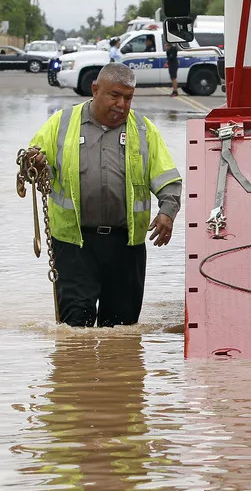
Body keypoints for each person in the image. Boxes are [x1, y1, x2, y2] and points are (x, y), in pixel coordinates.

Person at [22, 62, 182, 327]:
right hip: (74, 245)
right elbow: (37, 166)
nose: (121, 104)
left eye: (128, 97)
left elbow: (167, 179)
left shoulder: (143, 130)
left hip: (126, 247)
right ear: (95, 89)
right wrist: (34, 164)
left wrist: (167, 212)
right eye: (115, 95)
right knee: (75, 328)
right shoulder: (60, 123)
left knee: (121, 329)